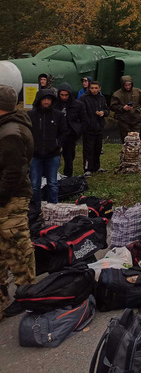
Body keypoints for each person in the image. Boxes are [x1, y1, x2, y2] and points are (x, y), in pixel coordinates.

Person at [0, 84, 35, 322]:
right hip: (7, 197)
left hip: (10, 199)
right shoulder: (8, 127)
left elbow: (12, 174)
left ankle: (26, 295)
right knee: (4, 248)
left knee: (17, 245)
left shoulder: (11, 132)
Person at [27, 89, 67, 205]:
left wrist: (57, 144)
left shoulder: (58, 115)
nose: (46, 101)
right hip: (35, 155)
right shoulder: (30, 115)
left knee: (53, 183)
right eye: (44, 99)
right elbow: (26, 132)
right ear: (39, 100)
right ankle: (36, 208)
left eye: (49, 99)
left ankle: (53, 207)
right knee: (34, 184)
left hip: (52, 154)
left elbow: (64, 132)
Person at [79, 80, 110, 176]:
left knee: (98, 149)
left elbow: (107, 110)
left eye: (96, 88)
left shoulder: (101, 98)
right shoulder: (84, 98)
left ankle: (96, 167)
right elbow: (81, 112)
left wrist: (103, 113)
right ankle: (87, 168)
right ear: (89, 88)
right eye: (92, 88)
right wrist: (87, 122)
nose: (94, 90)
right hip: (88, 128)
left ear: (99, 88)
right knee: (88, 149)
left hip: (99, 127)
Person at [53, 82, 84, 178]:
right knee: (54, 157)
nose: (64, 97)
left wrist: (78, 131)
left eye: (66, 95)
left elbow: (84, 120)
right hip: (57, 134)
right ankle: (53, 175)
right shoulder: (54, 104)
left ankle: (68, 176)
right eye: (62, 95)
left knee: (69, 157)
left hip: (70, 134)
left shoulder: (77, 105)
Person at [110, 75, 141, 142]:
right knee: (126, 139)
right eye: (125, 85)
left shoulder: (138, 91)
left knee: (138, 139)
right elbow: (112, 106)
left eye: (129, 85)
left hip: (137, 119)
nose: (127, 87)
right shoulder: (117, 94)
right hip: (124, 120)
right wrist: (122, 108)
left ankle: (138, 152)